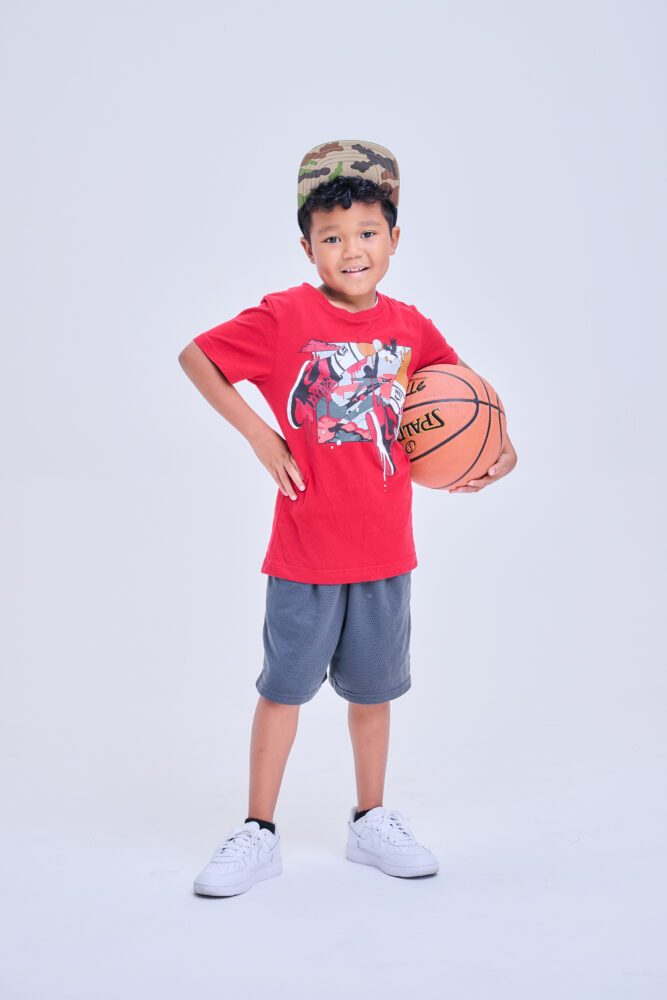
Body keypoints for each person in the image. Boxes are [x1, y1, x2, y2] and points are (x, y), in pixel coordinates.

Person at [178, 139, 517, 897]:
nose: (351, 250)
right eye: (331, 237)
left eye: (367, 232)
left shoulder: (411, 327)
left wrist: (500, 448)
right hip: (303, 553)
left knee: (374, 694)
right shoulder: (284, 316)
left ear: (394, 238)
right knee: (282, 692)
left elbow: (465, 396)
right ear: (307, 247)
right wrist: (261, 435)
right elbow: (198, 357)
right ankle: (257, 830)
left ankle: (370, 819)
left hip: (385, 553)